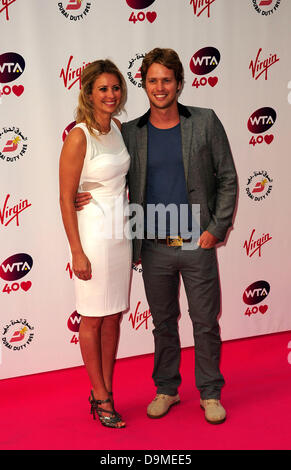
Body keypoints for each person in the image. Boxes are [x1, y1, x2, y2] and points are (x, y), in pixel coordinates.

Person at [75, 48, 237, 425]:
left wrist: (217, 227)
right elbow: (103, 167)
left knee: (205, 321)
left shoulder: (206, 122)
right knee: (163, 322)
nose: (160, 87)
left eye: (167, 80)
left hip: (198, 242)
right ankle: (167, 388)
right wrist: (82, 192)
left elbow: (227, 179)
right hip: (153, 246)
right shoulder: (129, 132)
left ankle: (210, 392)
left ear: (179, 83)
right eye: (152, 80)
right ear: (143, 85)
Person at [59, 59, 131, 429]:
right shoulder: (78, 135)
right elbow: (65, 197)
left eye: (115, 88)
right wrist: (76, 251)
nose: (110, 95)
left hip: (120, 234)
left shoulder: (118, 127)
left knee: (113, 314)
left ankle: (107, 388)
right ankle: (99, 395)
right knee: (92, 317)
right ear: (88, 92)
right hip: (92, 236)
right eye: (102, 88)